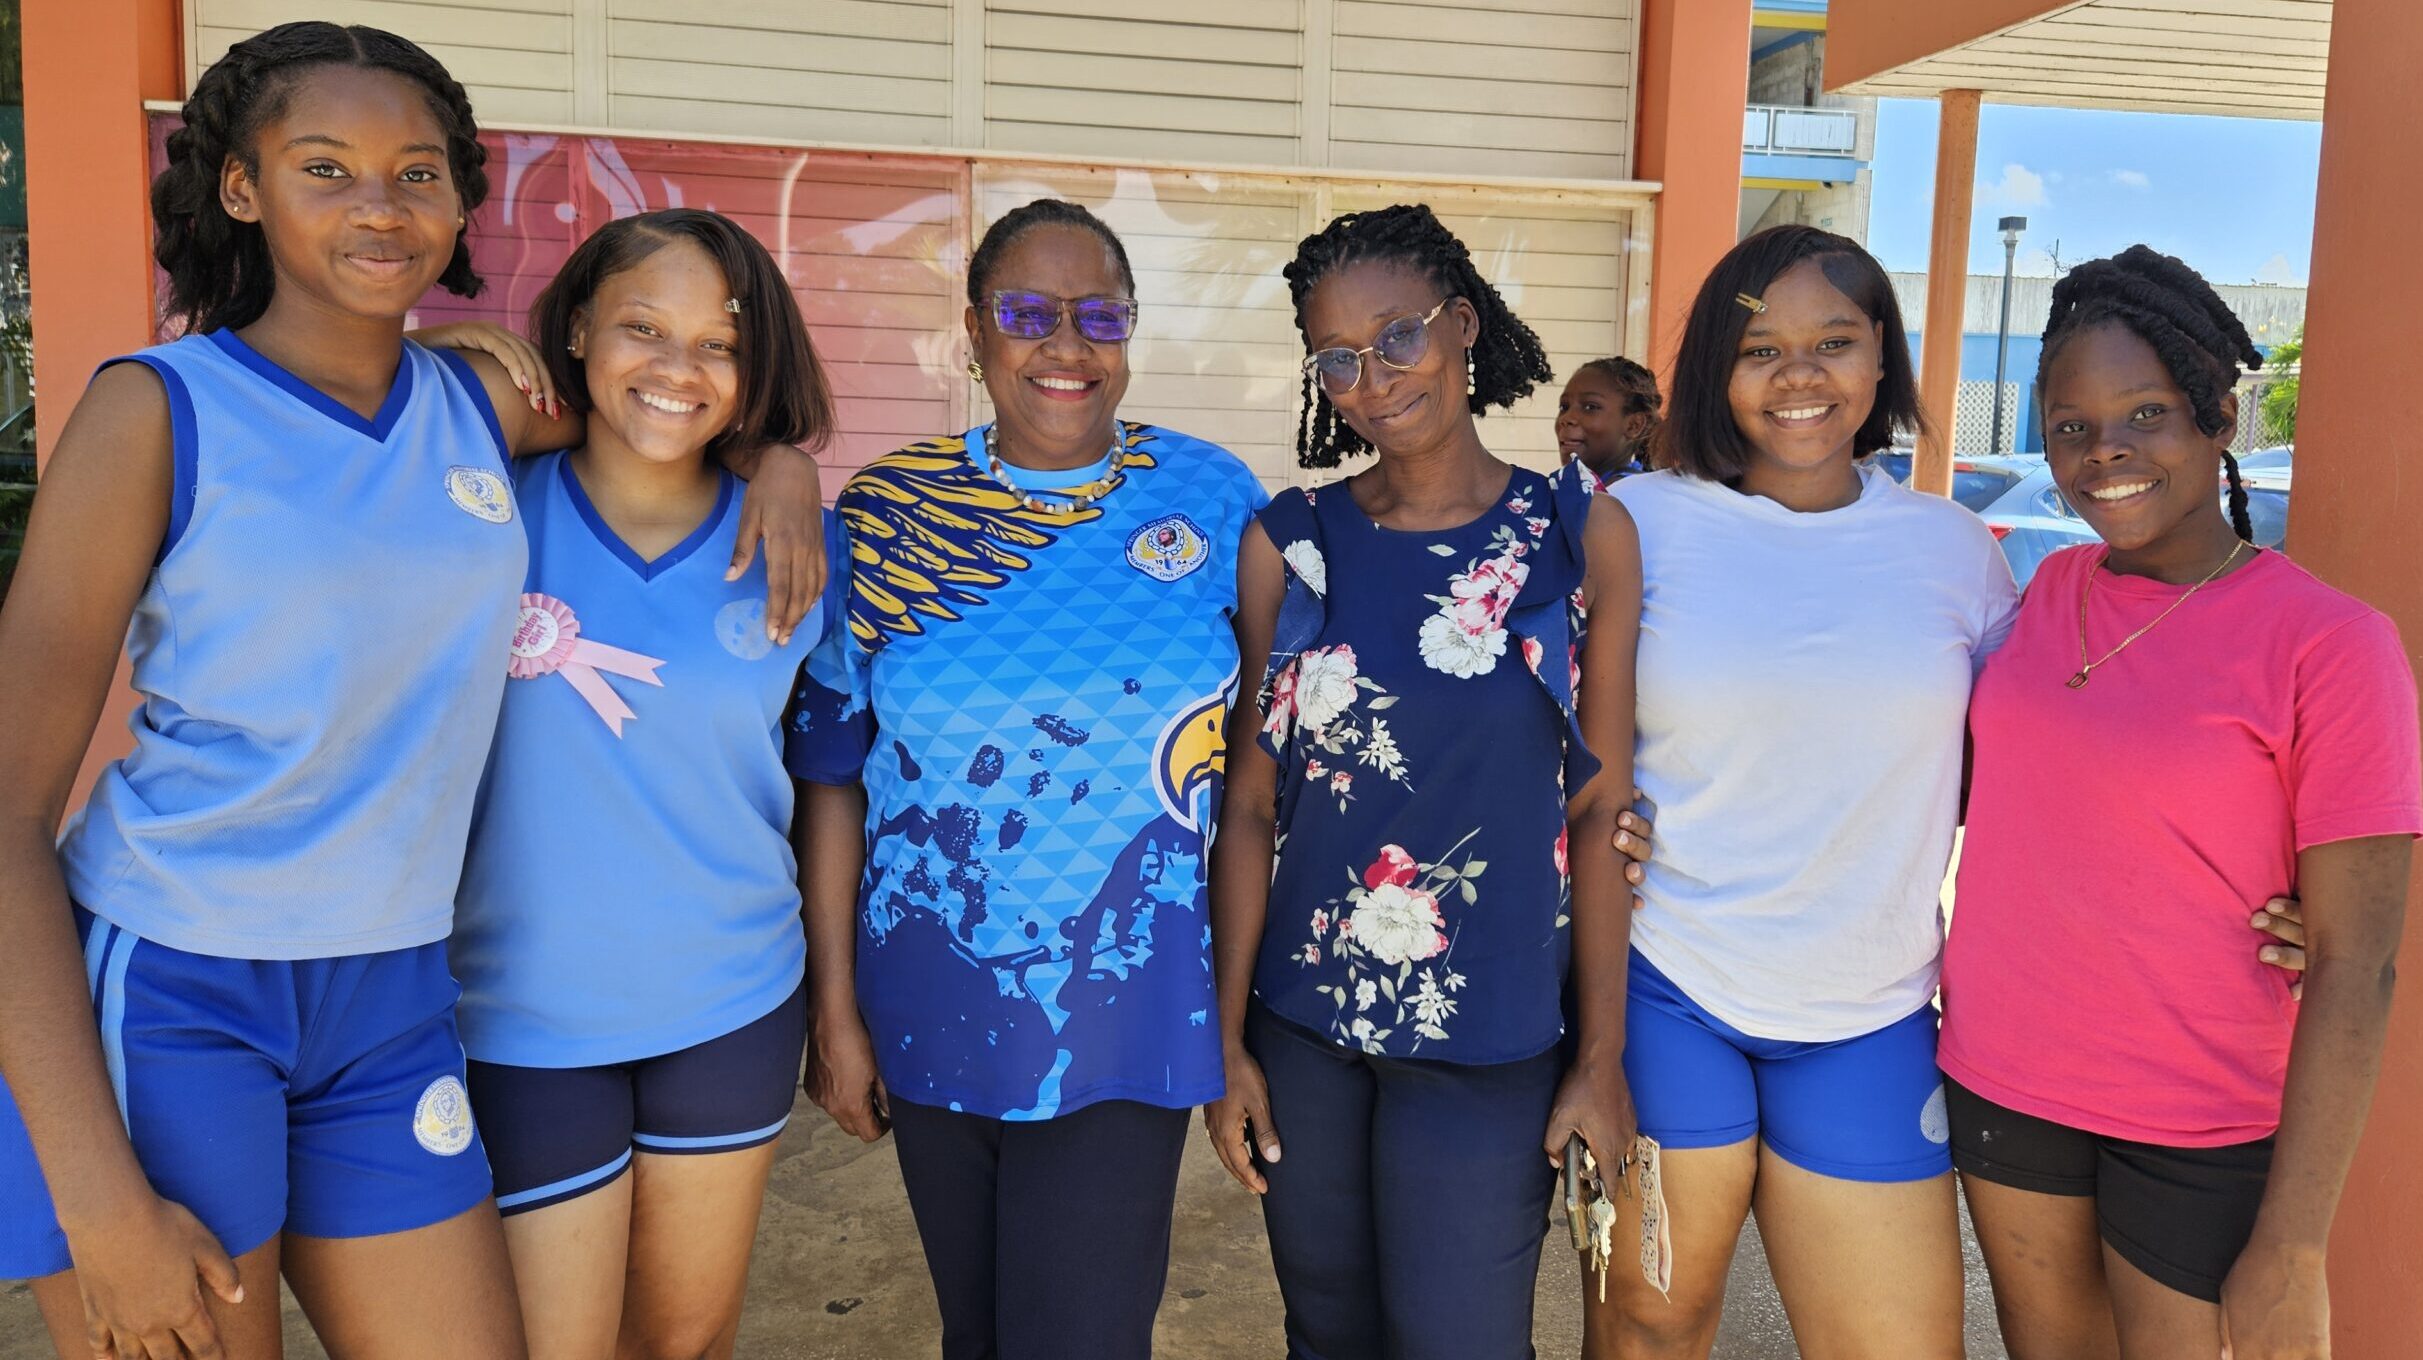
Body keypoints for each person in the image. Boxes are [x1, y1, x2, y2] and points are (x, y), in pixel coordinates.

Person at [0, 25, 819, 1360]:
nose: (380, 205)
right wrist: (94, 1199)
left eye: (418, 173)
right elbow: (4, 817)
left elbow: (669, 410)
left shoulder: (479, 405)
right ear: (242, 187)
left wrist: (782, 459)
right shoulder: (157, 411)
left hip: (392, 999)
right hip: (183, 984)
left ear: (457, 201)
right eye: (325, 167)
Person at [788, 198, 1267, 1360]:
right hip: (931, 992)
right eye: (1026, 314)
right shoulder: (889, 514)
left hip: (1131, 1002)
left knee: (1079, 1336)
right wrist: (834, 1009)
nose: (1066, 345)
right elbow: (832, 778)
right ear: (972, 331)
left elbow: (1270, 756)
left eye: (1099, 315)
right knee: (980, 1330)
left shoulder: (1209, 495)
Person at [1939, 246, 2420, 1360]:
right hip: (2003, 1078)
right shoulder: (2045, 594)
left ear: (2217, 419)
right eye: (2070, 426)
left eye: (2144, 414)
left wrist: (2293, 1246)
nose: (2102, 450)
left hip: (2202, 1112)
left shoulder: (2331, 644)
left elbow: (2357, 961)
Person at [1202, 203, 1644, 1360]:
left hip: (1490, 1032)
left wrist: (1598, 1057)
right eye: (1336, 359)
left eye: (1396, 337)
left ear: (1460, 324)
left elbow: (1596, 805)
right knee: (1327, 1334)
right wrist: (1226, 1041)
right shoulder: (1290, 544)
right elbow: (1248, 805)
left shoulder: (1575, 534)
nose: (1372, 381)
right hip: (1301, 1027)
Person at [1582, 225, 2018, 1360]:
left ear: (1881, 357)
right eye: (1759, 349)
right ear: (1714, 372)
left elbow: (2035, 765)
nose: (1798, 376)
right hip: (1670, 982)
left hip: (1866, 1005)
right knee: (1648, 1327)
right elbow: (1538, 720)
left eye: (1833, 341)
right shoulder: (1636, 520)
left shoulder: (1955, 551)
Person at [447, 209, 847, 1360]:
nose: (679, 367)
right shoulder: (480, 507)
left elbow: (828, 780)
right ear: (575, 327)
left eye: (720, 345)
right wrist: (440, 349)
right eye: (642, 328)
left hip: (729, 997)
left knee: (682, 1340)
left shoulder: (803, 546)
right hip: (520, 1009)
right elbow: (339, 397)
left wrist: (785, 460)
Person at [1556, 356, 1662, 486]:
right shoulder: (1581, 488)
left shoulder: (1624, 493)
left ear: (1633, 425)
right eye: (1564, 407)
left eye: (1590, 407)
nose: (1566, 418)